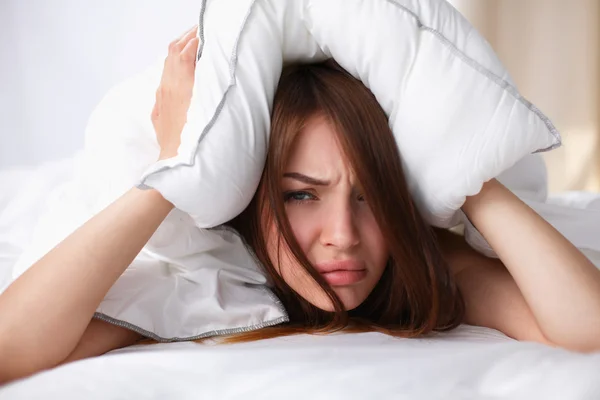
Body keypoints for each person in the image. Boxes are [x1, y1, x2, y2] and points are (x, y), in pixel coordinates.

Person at [1, 26, 600, 384]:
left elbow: (588, 329)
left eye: (369, 195)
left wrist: (468, 171)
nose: (344, 235)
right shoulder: (206, 276)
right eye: (302, 195)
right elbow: (9, 350)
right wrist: (173, 174)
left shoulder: (416, 263)